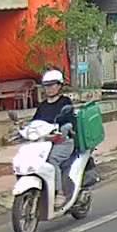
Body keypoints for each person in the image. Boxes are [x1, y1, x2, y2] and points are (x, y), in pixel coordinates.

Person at [32, 69, 76, 199]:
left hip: (62, 141)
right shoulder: (43, 105)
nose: (49, 89)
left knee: (52, 160)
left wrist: (65, 128)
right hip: (44, 142)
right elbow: (35, 122)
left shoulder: (65, 102)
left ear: (59, 86)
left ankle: (59, 193)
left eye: (52, 85)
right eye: (46, 86)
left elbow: (69, 120)